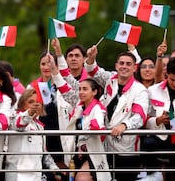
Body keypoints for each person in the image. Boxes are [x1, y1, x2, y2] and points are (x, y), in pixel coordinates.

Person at [85, 46, 149, 181]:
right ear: (116, 65)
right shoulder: (110, 78)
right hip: (104, 145)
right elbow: (92, 70)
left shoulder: (140, 90)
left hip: (126, 149)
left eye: (128, 64)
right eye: (121, 63)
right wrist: (91, 57)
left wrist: (124, 125)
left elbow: (140, 117)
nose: (124, 67)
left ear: (134, 68)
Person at [49, 53, 111, 181]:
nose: (81, 92)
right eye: (80, 89)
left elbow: (99, 126)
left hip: (92, 153)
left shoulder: (98, 108)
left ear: (94, 92)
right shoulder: (78, 104)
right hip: (77, 153)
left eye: (85, 89)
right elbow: (63, 86)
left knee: (82, 179)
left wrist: (95, 128)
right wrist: (54, 70)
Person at [27, 51, 71, 177]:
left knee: (63, 170)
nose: (46, 67)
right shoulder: (32, 86)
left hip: (61, 129)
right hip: (42, 130)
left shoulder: (63, 85)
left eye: (49, 63)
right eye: (43, 64)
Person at [6, 88, 60, 181]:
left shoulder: (40, 126)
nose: (35, 105)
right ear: (23, 104)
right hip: (18, 174)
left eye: (37, 102)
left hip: (36, 174)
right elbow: (20, 123)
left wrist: (54, 168)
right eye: (31, 102)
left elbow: (44, 152)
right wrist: (30, 112)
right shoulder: (15, 117)